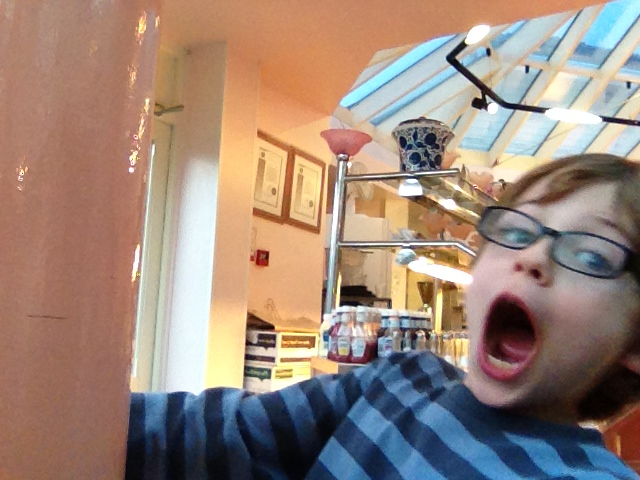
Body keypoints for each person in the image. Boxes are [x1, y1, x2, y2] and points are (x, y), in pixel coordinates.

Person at [126, 153, 640, 479]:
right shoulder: (398, 381)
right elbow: (225, 435)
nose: (532, 257)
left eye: (592, 255)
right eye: (517, 231)